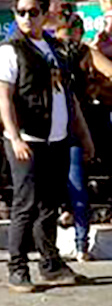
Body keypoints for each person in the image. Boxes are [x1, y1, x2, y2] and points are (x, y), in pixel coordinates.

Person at [0, 0, 91, 291]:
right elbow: (3, 97)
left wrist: (83, 135)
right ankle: (17, 267)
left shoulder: (53, 47)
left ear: (43, 14)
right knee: (26, 203)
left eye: (33, 12)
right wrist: (15, 136)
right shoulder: (10, 50)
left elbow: (69, 96)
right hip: (28, 138)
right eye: (20, 13)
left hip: (56, 139)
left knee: (50, 203)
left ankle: (50, 263)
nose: (27, 18)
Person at [57, 15, 94, 263]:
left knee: (78, 186)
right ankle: (75, 244)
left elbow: (77, 105)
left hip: (69, 131)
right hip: (52, 132)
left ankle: (81, 244)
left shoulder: (80, 54)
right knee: (70, 187)